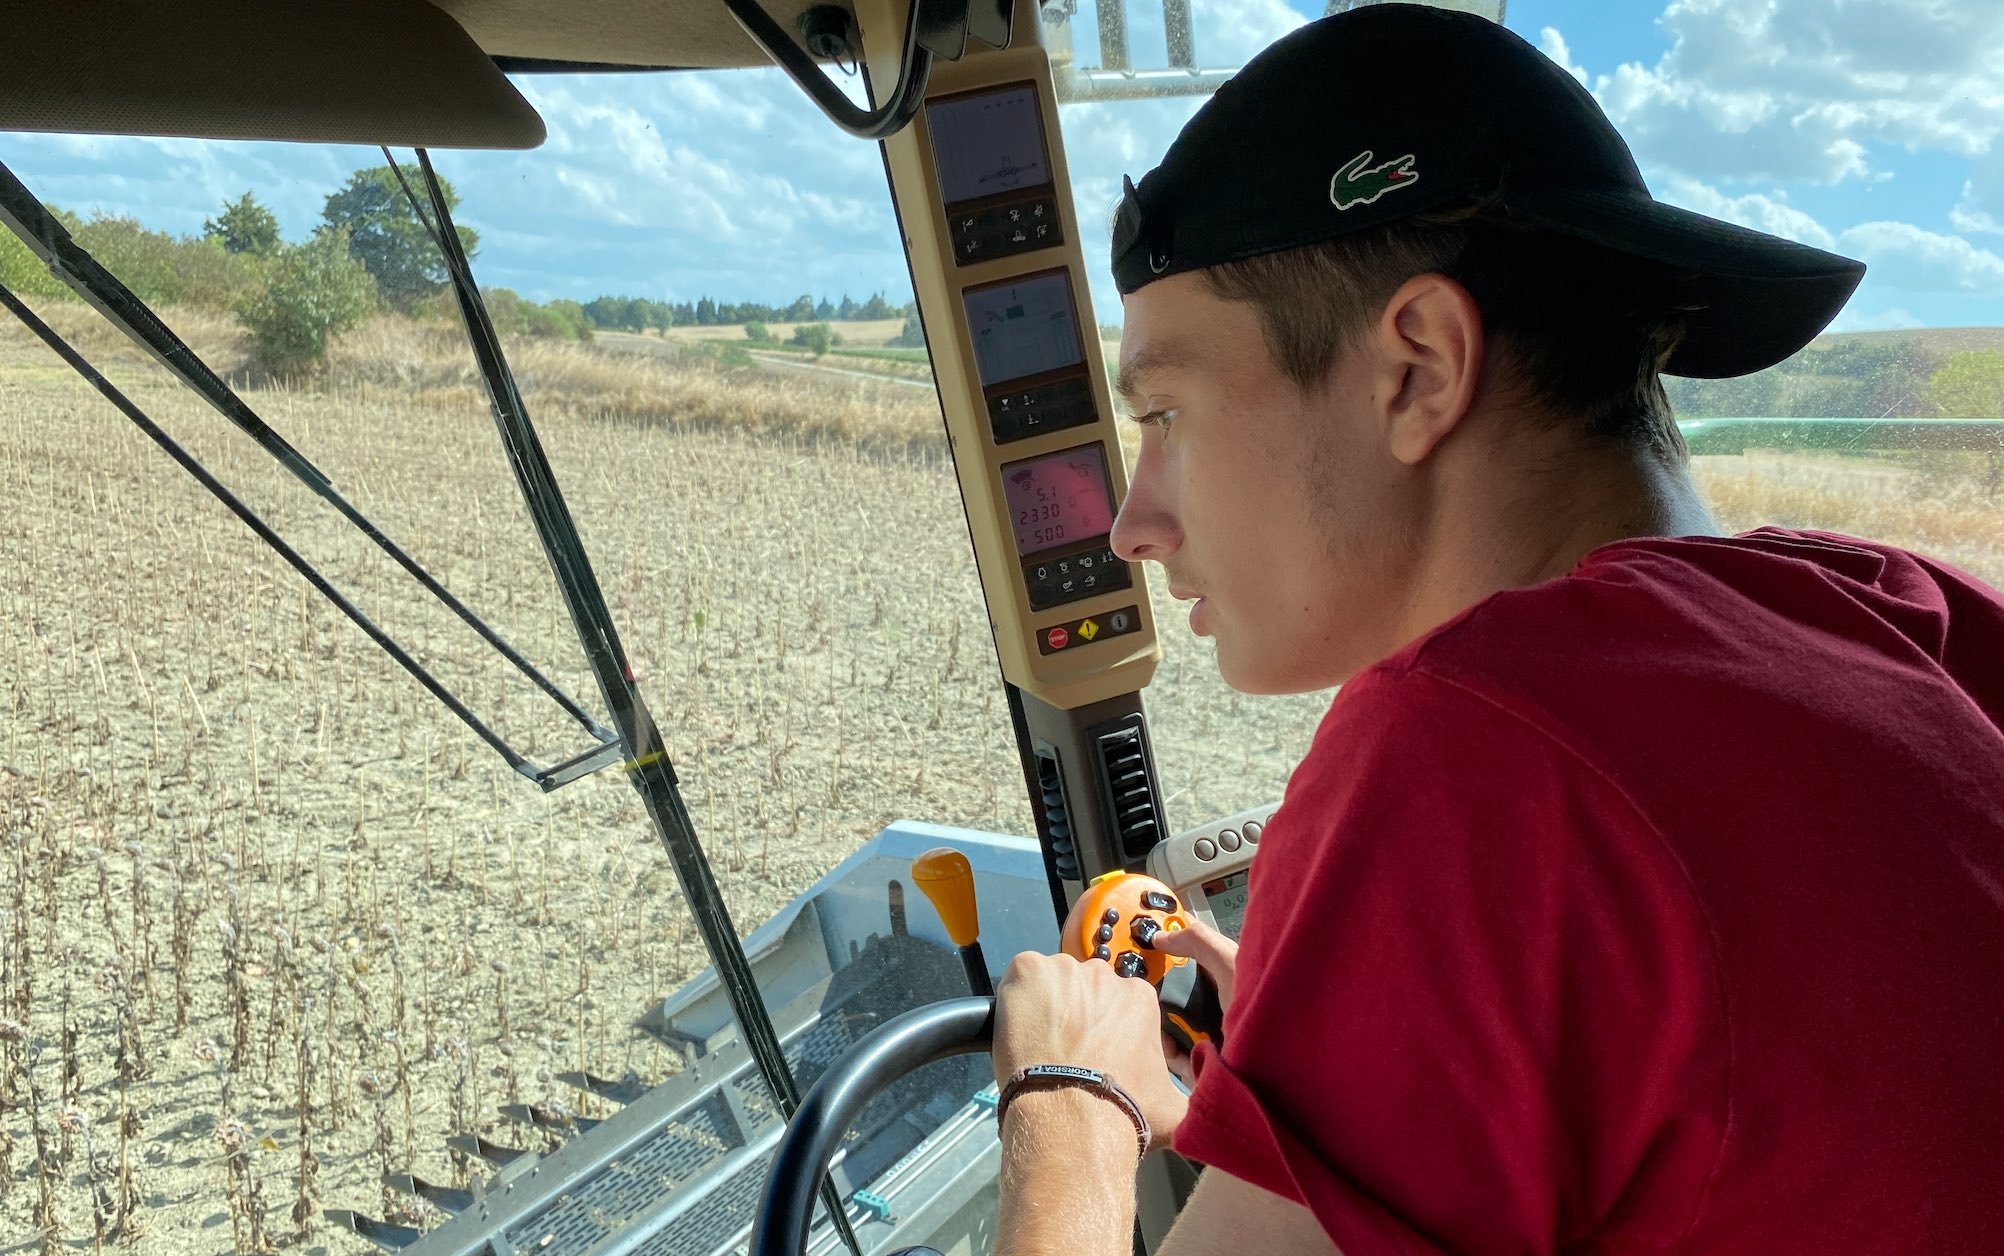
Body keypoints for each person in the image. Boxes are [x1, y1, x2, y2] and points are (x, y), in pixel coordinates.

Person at [988, 5, 2004, 1254]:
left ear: (1415, 369)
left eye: (1167, 413)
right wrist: (1345, 1044)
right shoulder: (1918, 615)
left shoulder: (1474, 756)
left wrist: (1071, 1103)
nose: (1134, 524)